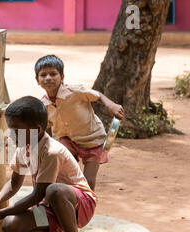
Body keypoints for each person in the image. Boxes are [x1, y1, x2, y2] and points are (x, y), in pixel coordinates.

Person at [0, 96, 97, 232]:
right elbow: (14, 183)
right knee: (10, 225)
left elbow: (38, 195)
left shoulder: (51, 152)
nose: (12, 135)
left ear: (36, 129)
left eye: (16, 130)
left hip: (80, 204)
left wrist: (0, 213)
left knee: (54, 190)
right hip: (50, 205)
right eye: (10, 129)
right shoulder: (24, 147)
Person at [35, 55, 125, 190]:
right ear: (37, 80)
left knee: (88, 180)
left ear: (62, 76)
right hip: (68, 141)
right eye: (43, 75)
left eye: (53, 74)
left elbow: (98, 95)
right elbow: (47, 128)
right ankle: (69, 203)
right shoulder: (43, 105)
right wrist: (46, 147)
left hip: (93, 140)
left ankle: (88, 204)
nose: (48, 78)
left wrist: (111, 105)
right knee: (63, 176)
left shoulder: (75, 91)